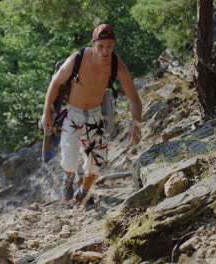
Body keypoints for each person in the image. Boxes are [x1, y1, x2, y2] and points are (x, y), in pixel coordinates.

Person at [41, 24, 142, 206]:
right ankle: (68, 179)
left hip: (96, 115)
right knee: (69, 162)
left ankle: (83, 193)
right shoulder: (78, 58)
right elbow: (55, 83)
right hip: (71, 114)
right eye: (101, 46)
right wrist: (46, 111)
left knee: (97, 160)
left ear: (114, 45)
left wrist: (136, 124)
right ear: (93, 43)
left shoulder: (117, 67)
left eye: (109, 46)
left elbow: (135, 99)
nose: (105, 51)